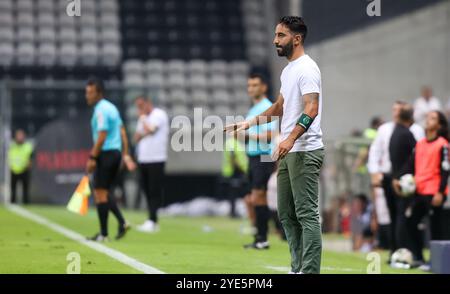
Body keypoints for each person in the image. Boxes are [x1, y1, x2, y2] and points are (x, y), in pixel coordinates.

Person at [226, 16, 324, 274]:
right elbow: (280, 107)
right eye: (276, 35)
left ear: (297, 38)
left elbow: (311, 109)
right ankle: (297, 267)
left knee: (306, 215)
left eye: (280, 35)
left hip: (305, 150)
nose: (274, 40)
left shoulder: (307, 68)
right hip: (289, 151)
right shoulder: (288, 69)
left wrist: (290, 139)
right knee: (286, 215)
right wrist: (249, 123)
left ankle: (310, 270)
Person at [368, 101, 424, 259]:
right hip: (389, 176)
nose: (395, 112)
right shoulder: (386, 129)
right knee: (393, 215)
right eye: (393, 109)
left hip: (407, 178)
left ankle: (404, 249)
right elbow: (375, 152)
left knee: (402, 214)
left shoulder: (416, 130)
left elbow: (419, 154)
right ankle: (395, 250)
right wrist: (375, 174)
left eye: (398, 110)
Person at [393, 111, 449, 267]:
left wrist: (440, 192)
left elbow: (445, 170)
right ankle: (419, 257)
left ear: (439, 125)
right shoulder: (421, 143)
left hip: (434, 192)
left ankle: (437, 262)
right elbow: (410, 165)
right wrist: (397, 178)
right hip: (419, 191)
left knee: (435, 228)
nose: (428, 120)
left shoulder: (443, 144)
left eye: (432, 118)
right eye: (428, 117)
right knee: (410, 222)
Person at [85, 78, 136, 242]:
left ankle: (104, 234)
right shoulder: (112, 108)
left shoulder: (100, 110)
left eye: (90, 92)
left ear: (99, 93)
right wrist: (125, 154)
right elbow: (122, 133)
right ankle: (121, 222)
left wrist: (93, 157)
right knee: (104, 193)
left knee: (100, 193)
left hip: (105, 153)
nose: (87, 96)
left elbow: (101, 136)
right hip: (115, 153)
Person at [240, 73, 276, 250]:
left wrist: (248, 134)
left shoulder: (267, 107)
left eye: (255, 85)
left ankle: (263, 237)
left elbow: (271, 134)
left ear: (263, 87)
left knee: (258, 196)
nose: (251, 89)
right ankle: (260, 235)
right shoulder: (253, 109)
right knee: (251, 198)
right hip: (253, 156)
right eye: (249, 85)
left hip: (264, 155)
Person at [134, 96, 169, 233]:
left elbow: (151, 130)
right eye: (138, 107)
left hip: (156, 158)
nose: (140, 109)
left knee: (154, 190)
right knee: (146, 189)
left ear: (148, 103)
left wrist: (143, 121)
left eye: (141, 105)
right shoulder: (143, 119)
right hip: (144, 159)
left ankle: (153, 220)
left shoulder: (159, 114)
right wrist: (144, 129)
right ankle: (151, 219)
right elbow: (137, 137)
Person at [388, 105, 416, 249]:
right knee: (403, 217)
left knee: (397, 216)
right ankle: (403, 249)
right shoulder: (406, 134)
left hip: (395, 179)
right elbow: (415, 156)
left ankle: (396, 249)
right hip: (404, 182)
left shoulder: (396, 132)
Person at [222, 134, 248, 218]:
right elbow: (232, 158)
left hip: (235, 171)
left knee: (234, 193)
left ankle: (234, 212)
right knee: (234, 193)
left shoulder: (234, 142)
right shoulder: (232, 143)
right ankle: (233, 213)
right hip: (234, 171)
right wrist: (241, 168)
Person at [8, 129, 33, 204]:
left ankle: (26, 204)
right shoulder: (12, 146)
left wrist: (29, 164)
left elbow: (31, 157)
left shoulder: (28, 146)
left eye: (21, 135)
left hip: (24, 170)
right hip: (14, 169)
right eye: (18, 135)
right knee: (13, 190)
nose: (20, 137)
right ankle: (12, 204)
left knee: (25, 190)